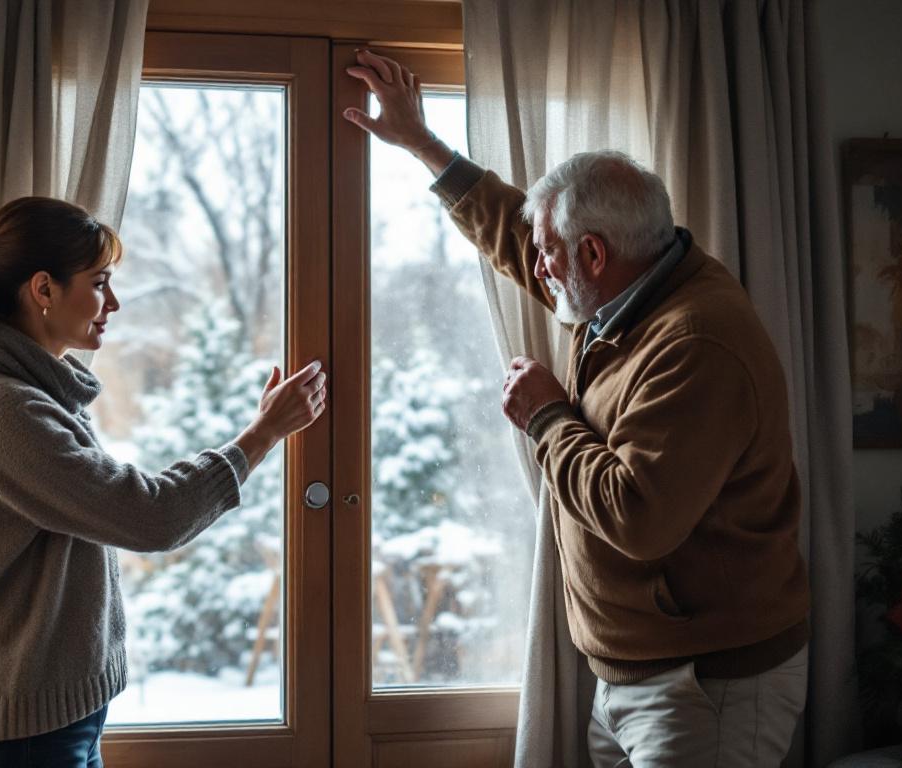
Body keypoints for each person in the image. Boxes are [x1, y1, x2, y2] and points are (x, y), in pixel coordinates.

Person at [344, 50, 811, 767]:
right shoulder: (633, 288)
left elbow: (639, 516)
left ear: (594, 254)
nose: (536, 268)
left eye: (550, 255)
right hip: (642, 671)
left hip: (706, 683)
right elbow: (514, 230)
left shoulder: (696, 344)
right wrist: (423, 145)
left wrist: (546, 417)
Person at [0, 196, 327, 767]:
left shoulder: (30, 392)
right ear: (43, 290)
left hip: (47, 725)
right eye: (99, 282)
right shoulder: (3, 408)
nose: (112, 302)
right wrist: (263, 433)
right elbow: (150, 516)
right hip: (20, 739)